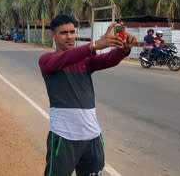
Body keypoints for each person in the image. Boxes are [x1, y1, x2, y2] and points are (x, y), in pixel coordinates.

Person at [38, 14, 136, 176]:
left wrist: (124, 50)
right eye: (64, 33)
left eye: (72, 32)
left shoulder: (85, 60)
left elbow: (108, 59)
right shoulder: (47, 60)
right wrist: (94, 45)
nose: (69, 37)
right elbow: (66, 58)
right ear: (53, 35)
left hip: (92, 137)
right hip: (64, 137)